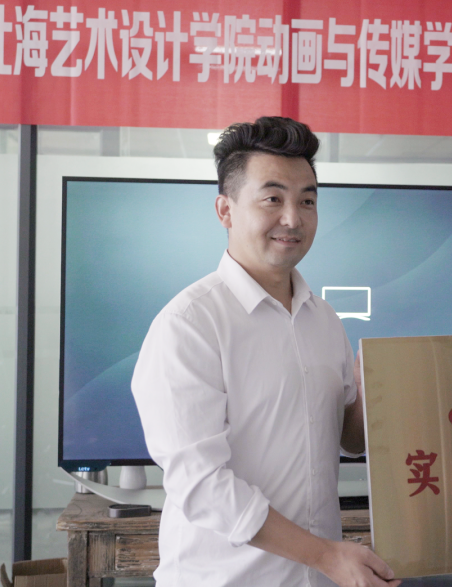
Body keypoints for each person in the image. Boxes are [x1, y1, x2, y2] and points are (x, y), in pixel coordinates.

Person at [131, 116, 400, 587]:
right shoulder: (189, 325)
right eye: (273, 199)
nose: (293, 218)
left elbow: (348, 440)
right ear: (226, 210)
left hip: (320, 579)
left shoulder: (324, 319)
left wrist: (374, 389)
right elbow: (201, 486)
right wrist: (326, 556)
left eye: (307, 201)